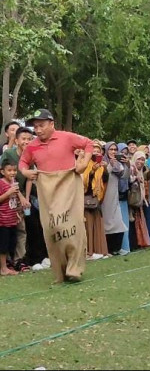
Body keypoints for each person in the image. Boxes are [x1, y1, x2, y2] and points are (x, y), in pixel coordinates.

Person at [19, 109, 94, 283]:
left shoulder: (66, 137)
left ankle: (74, 268)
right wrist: (25, 171)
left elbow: (89, 143)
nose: (38, 130)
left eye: (41, 125)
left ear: (51, 124)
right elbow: (23, 161)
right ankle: (60, 270)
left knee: (71, 226)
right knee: (52, 228)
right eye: (35, 127)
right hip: (47, 191)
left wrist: (83, 162)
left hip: (69, 186)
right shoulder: (32, 146)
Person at [1, 127, 34, 271]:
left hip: (21, 198)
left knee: (21, 229)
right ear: (17, 140)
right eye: (23, 139)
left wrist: (26, 198)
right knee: (7, 231)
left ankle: (19, 259)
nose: (26, 142)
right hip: (9, 197)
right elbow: (8, 176)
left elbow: (29, 178)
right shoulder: (9, 153)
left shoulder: (30, 156)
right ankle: (6, 260)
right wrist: (20, 196)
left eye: (29, 139)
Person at [0, 159, 24, 276]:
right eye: (9, 170)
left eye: (14, 170)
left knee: (11, 243)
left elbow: (12, 202)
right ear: (2, 171)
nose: (12, 173)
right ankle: (3, 268)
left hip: (12, 220)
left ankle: (9, 265)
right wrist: (8, 192)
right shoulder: (1, 183)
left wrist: (16, 214)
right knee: (3, 246)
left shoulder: (13, 184)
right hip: (2, 221)